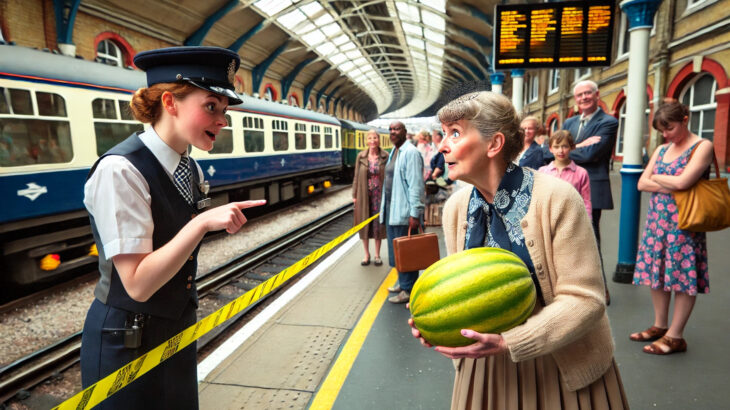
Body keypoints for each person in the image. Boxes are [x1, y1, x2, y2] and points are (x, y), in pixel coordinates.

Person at [409, 91, 626, 409]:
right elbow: (462, 292)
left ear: (494, 144)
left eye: (455, 133)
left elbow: (586, 300)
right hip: (486, 369)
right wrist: (435, 321)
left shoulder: (558, 198)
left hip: (560, 369)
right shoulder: (456, 207)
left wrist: (510, 341)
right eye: (443, 134)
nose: (443, 146)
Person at [80, 46, 266, 409]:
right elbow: (136, 283)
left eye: (224, 111)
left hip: (175, 331)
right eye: (211, 106)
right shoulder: (120, 170)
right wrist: (200, 226)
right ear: (170, 102)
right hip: (127, 341)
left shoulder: (189, 168)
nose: (222, 120)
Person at [631, 101, 713, 355]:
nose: (665, 135)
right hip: (658, 221)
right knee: (657, 272)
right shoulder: (663, 148)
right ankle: (660, 325)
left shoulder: (703, 146)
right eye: (662, 130)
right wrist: (668, 182)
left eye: (670, 128)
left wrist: (656, 177)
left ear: (685, 119)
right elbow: (641, 184)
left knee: (683, 277)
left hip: (685, 222)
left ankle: (675, 336)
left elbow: (684, 181)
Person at [547, 80, 618, 304]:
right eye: (579, 95)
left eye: (588, 93)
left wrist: (570, 150)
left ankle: (601, 289)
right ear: (575, 99)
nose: (584, 97)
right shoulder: (569, 121)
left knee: (590, 239)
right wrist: (581, 145)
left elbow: (592, 155)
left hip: (591, 186)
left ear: (597, 95)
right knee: (561, 239)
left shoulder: (609, 122)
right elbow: (561, 150)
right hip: (562, 185)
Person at [381, 121, 424, 304]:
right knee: (396, 250)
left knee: (406, 251)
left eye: (396, 129)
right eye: (391, 130)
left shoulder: (411, 153)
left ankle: (408, 289)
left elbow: (416, 185)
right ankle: (402, 281)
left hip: (404, 211)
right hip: (392, 209)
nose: (393, 132)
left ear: (405, 132)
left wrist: (415, 213)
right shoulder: (395, 151)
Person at [352, 129, 388, 266]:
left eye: (375, 138)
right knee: (365, 224)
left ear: (379, 140)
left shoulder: (385, 156)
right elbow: (356, 176)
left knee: (378, 225)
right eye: (370, 138)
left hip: (380, 196)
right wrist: (354, 195)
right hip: (364, 195)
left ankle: (377, 255)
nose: (372, 141)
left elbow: (389, 177)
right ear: (366, 141)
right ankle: (366, 254)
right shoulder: (360, 156)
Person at [538, 130, 592, 218]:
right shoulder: (542, 171)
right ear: (550, 149)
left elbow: (586, 202)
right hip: (548, 219)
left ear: (572, 147)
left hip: (572, 220)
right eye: (556, 147)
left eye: (565, 146)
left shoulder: (581, 173)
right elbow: (538, 199)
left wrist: (587, 223)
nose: (561, 151)